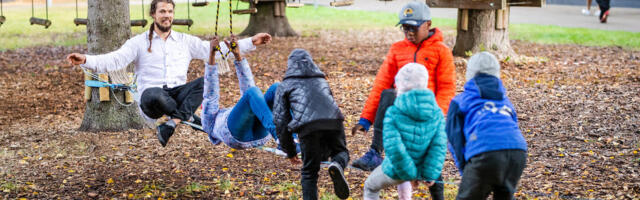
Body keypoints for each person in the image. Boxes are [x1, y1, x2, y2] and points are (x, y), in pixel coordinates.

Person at [65, 0, 272, 147]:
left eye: (170, 12)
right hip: (151, 100)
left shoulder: (184, 41)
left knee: (206, 82)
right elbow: (115, 60)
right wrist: (86, 59)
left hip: (177, 94)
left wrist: (251, 42)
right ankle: (187, 115)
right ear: (153, 15)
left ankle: (173, 122)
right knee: (154, 93)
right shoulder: (138, 43)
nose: (167, 16)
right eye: (162, 11)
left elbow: (215, 52)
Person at [350, 1, 455, 199]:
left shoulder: (441, 51)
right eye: (405, 28)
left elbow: (447, 87)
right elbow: (381, 85)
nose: (409, 32)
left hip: (427, 115)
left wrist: (436, 115)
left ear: (427, 24)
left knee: (430, 161)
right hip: (402, 114)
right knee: (389, 98)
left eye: (413, 27)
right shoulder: (398, 49)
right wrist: (365, 120)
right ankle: (375, 151)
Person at [446, 52, 528, 200]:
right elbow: (513, 125)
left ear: (469, 74)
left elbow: (454, 139)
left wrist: (465, 169)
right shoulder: (505, 101)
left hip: (485, 153)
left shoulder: (461, 101)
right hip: (518, 152)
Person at [273, 49, 350, 200]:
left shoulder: (285, 85)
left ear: (290, 65)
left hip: (308, 127)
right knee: (342, 152)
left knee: (309, 172)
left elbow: (280, 120)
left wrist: (290, 151)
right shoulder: (321, 80)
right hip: (334, 121)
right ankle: (337, 164)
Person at [362, 63, 447, 200]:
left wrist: (410, 174)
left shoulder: (394, 111)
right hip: (422, 169)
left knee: (370, 187)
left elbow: (394, 148)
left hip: (398, 170)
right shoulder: (436, 112)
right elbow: (439, 146)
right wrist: (430, 173)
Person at [201, 35, 279, 149]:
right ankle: (280, 135)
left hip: (259, 133)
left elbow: (247, 87)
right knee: (253, 92)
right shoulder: (209, 123)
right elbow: (211, 94)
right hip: (235, 136)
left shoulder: (231, 115)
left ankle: (294, 137)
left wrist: (237, 55)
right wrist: (211, 56)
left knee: (277, 88)